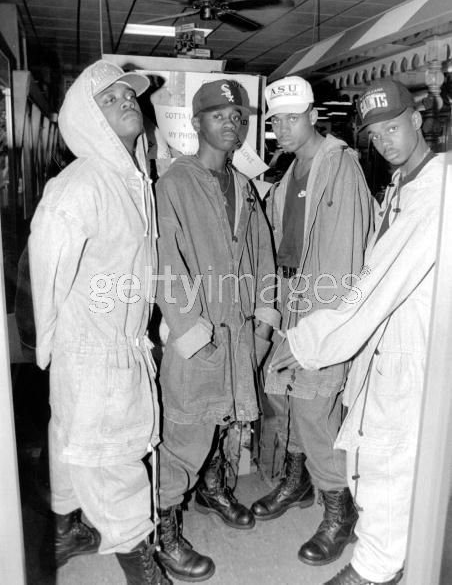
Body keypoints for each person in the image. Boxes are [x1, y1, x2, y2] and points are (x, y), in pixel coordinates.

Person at [270, 78, 446, 584]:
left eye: (394, 127)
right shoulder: (402, 183)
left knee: (386, 457)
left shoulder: (436, 191)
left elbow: (374, 282)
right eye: (375, 132)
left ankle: (374, 570)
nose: (385, 141)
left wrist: (310, 341)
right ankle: (384, 557)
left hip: (409, 343)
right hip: (383, 335)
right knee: (376, 450)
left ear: (417, 120)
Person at [28, 59, 171, 585]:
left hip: (115, 343)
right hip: (93, 351)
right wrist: (48, 344)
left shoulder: (132, 180)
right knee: (113, 461)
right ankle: (141, 569)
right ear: (86, 121)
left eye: (128, 94)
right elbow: (45, 270)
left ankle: (67, 530)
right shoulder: (82, 184)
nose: (126, 100)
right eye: (108, 99)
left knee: (75, 444)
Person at [154, 78, 280, 582]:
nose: (230, 124)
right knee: (185, 432)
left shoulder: (244, 187)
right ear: (196, 122)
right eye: (218, 115)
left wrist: (265, 321)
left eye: (237, 117)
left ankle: (212, 489)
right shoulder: (174, 184)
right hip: (198, 336)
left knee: (225, 421)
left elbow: (264, 257)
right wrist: (191, 333)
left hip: (238, 332)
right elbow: (165, 262)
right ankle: (161, 530)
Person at [250, 75, 374, 567]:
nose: (281, 128)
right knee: (282, 392)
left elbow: (344, 256)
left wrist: (324, 329)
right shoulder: (292, 169)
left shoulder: (339, 166)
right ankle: (298, 480)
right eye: (275, 120)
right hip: (291, 297)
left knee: (315, 405)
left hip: (323, 303)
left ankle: (340, 510)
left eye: (290, 118)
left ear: (313, 116)